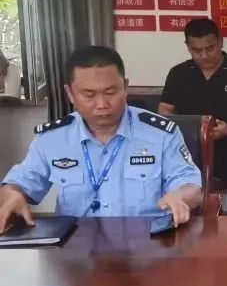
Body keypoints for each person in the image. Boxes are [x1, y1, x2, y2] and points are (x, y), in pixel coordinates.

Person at [0, 46, 202, 231]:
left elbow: (190, 185)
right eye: (89, 95)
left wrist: (180, 196)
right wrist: (12, 194)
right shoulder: (53, 138)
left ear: (125, 87)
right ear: (70, 93)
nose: (102, 104)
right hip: (75, 248)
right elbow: (20, 182)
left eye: (110, 92)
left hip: (147, 244)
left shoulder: (161, 133)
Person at [158, 18, 227, 215]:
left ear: (221, 41)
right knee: (171, 179)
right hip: (188, 148)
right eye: (196, 50)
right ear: (187, 47)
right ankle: (188, 225)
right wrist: (182, 132)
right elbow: (164, 110)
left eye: (210, 48)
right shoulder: (179, 73)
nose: (204, 55)